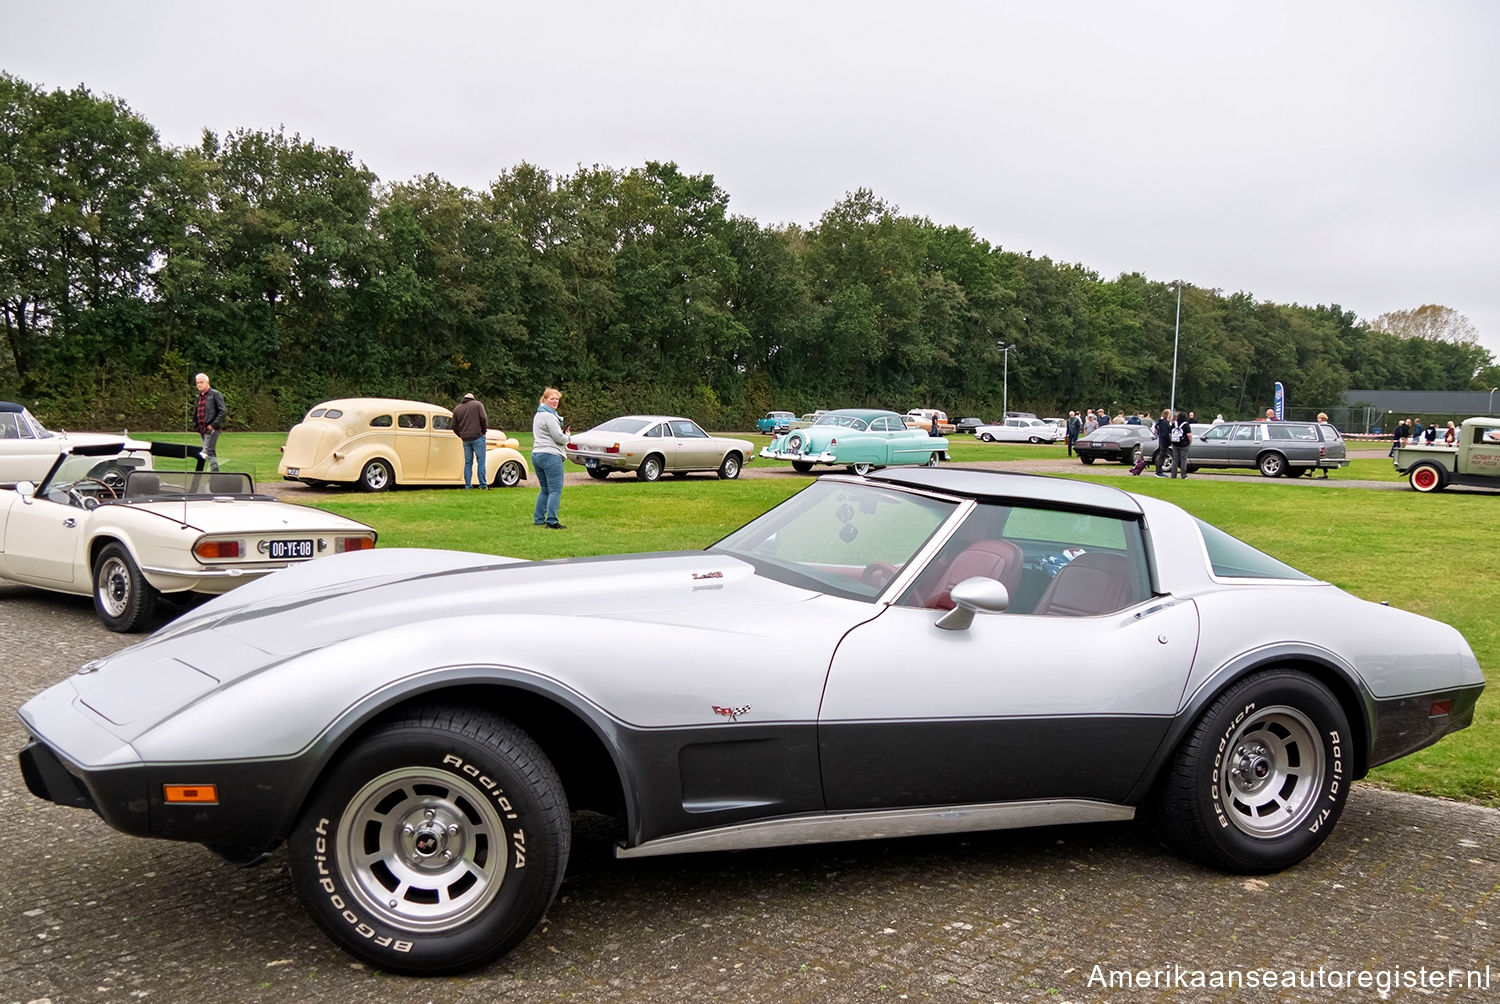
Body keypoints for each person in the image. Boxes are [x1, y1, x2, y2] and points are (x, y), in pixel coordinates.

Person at [531, 387, 570, 529]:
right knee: (555, 490)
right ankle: (552, 521)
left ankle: (539, 518)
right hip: (550, 455)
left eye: (557, 399)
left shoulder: (538, 414)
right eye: (552, 398)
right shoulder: (549, 416)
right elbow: (559, 437)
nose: (555, 401)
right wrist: (568, 436)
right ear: (544, 399)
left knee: (545, 489)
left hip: (537, 454)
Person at [451, 392, 489, 489]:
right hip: (478, 437)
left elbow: (454, 426)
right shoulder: (478, 405)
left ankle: (468, 485)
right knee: (481, 461)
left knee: (468, 462)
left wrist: (461, 435)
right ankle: (483, 484)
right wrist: (484, 431)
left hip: (465, 439)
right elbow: (484, 418)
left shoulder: (457, 409)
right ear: (473, 398)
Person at [192, 372, 226, 472]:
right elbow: (196, 411)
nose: (199, 384)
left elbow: (222, 411)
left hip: (212, 428)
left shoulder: (215, 394)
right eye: (197, 383)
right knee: (210, 451)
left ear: (207, 382)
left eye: (201, 382)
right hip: (202, 428)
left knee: (206, 450)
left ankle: (208, 472)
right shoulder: (199, 397)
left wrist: (213, 425)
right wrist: (196, 425)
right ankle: (215, 472)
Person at [1169, 409, 1193, 478]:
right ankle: (1183, 475)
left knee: (1175, 459)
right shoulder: (1186, 424)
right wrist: (1190, 442)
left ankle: (1173, 475)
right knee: (1183, 459)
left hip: (1175, 443)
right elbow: (1189, 435)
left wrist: (1172, 440)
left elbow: (1170, 433)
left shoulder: (1174, 423)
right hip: (1184, 444)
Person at [1153, 407, 1172, 477]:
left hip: (1161, 441)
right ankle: (1158, 472)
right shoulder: (1164, 422)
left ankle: (1159, 471)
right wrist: (1169, 441)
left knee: (1162, 456)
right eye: (1169, 414)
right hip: (1164, 442)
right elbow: (1165, 433)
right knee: (1162, 456)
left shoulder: (1161, 422)